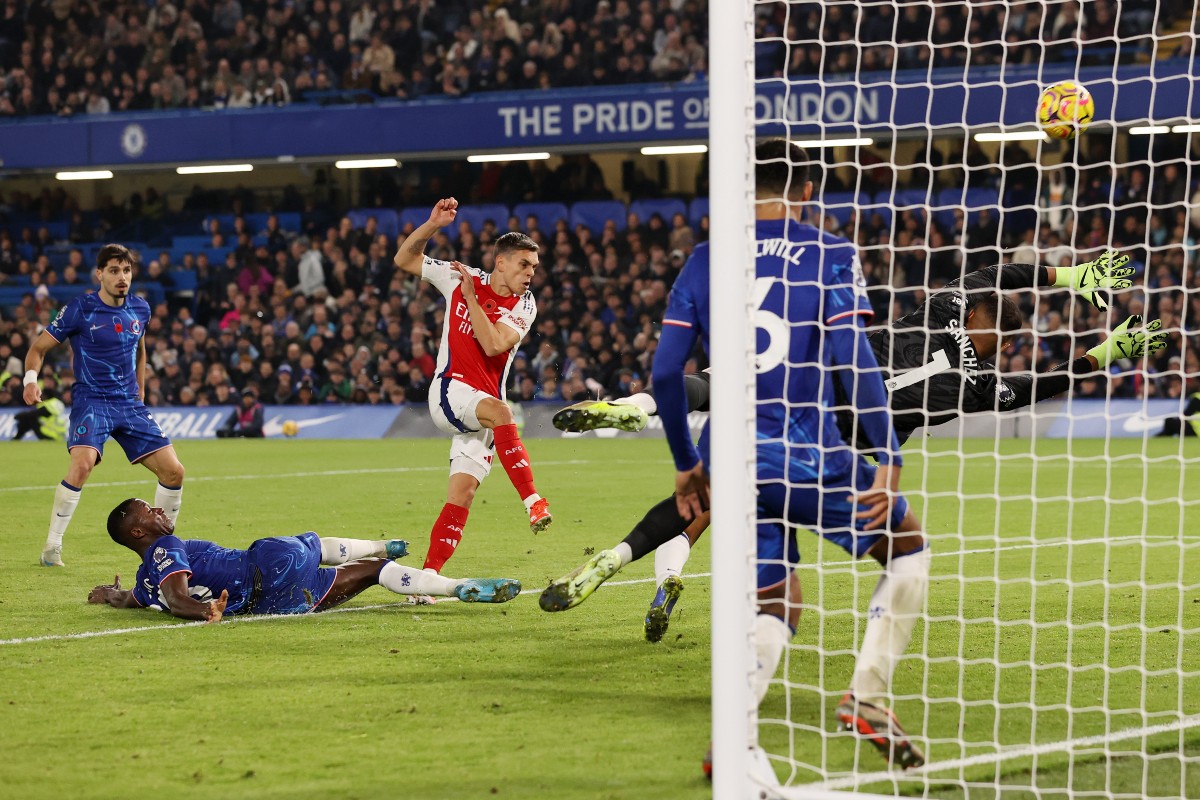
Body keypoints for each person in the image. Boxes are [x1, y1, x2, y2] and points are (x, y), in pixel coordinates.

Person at [548, 139, 932, 772]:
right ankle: (867, 696)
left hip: (728, 458)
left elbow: (669, 372)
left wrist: (684, 461)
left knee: (779, 600)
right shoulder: (829, 253)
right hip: (805, 451)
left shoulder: (705, 258)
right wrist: (886, 452)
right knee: (908, 548)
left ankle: (734, 744)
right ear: (806, 191)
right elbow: (852, 359)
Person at [547, 251, 1160, 643]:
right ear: (981, 322)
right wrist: (1104, 352)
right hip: (824, 443)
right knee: (735, 505)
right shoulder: (979, 385)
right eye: (1003, 328)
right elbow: (1041, 381)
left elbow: (1000, 281)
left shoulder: (945, 313)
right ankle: (634, 529)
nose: (1009, 340)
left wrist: (1070, 277)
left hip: (813, 382)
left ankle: (635, 425)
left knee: (718, 398)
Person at [392, 198, 551, 580]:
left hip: (481, 412)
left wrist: (469, 299)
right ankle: (533, 500)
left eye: (534, 267)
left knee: (461, 495)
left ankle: (426, 579)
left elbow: (495, 344)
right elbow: (405, 260)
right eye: (524, 264)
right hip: (450, 392)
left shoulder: (525, 305)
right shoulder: (462, 275)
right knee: (503, 411)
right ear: (501, 262)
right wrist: (432, 225)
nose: (530, 273)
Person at [88, 499, 521, 622]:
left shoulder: (146, 583)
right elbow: (178, 597)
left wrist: (109, 593)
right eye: (151, 513)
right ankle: (439, 580)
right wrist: (205, 609)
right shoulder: (166, 550)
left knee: (369, 577)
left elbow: (134, 599)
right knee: (313, 544)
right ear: (139, 533)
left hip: (275, 604)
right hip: (265, 564)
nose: (161, 513)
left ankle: (440, 582)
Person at [23, 244, 187, 568]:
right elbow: (38, 349)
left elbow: (140, 349)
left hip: (129, 403)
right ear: (100, 274)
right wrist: (30, 379)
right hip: (93, 401)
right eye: (114, 270)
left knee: (174, 471)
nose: (121, 277)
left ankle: (165, 547)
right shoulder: (79, 309)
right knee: (82, 465)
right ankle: (52, 546)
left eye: (126, 270)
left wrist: (140, 388)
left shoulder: (140, 309)